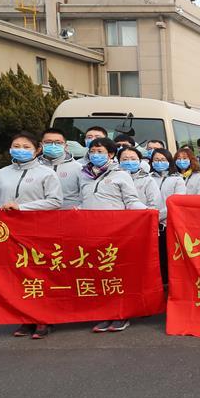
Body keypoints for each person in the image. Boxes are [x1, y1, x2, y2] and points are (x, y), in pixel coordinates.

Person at [0, 132, 63, 340]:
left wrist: (22, 207)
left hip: (38, 231)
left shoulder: (46, 173)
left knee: (39, 275)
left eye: (25, 146)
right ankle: (25, 317)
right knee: (17, 276)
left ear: (37, 149)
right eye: (16, 146)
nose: (20, 149)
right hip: (9, 233)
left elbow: (55, 201)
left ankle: (44, 318)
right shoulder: (2, 173)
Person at [78, 137, 146, 333]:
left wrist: (149, 213)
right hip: (90, 233)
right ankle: (104, 313)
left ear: (110, 154)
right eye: (93, 151)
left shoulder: (121, 175)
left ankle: (121, 315)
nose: (96, 155)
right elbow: (83, 201)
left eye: (100, 151)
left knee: (117, 274)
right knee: (98, 275)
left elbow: (131, 201)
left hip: (116, 233)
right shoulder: (84, 176)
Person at [38, 127, 82, 209]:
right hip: (39, 214)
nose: (53, 145)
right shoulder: (34, 167)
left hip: (68, 215)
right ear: (41, 145)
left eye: (58, 143)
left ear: (65, 146)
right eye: (48, 142)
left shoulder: (78, 167)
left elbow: (85, 194)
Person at [117, 146, 160, 212]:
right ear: (119, 161)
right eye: (125, 159)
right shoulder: (113, 179)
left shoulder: (148, 180)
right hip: (118, 218)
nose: (129, 162)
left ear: (140, 161)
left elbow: (154, 204)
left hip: (141, 218)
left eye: (133, 159)